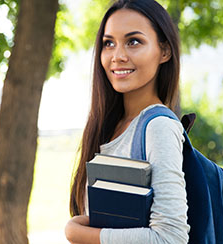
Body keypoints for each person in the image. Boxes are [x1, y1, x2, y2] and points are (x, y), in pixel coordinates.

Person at [64, 0, 190, 243]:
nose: (117, 56)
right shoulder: (109, 126)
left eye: (133, 42)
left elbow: (170, 238)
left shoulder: (158, 127)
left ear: (164, 51)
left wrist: (77, 232)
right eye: (109, 43)